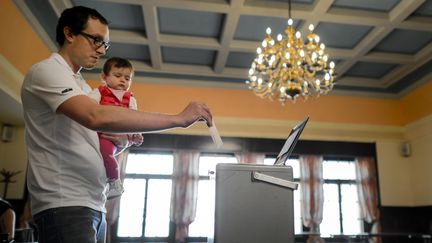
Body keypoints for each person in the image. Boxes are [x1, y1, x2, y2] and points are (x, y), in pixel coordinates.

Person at [21, 5, 212, 243]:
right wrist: (178, 119)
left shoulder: (81, 86)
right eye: (96, 40)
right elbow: (95, 116)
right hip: (65, 202)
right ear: (69, 34)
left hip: (94, 203)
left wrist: (122, 143)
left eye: (105, 44)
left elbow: (92, 136)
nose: (101, 50)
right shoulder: (46, 71)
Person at [88, 57, 143, 199]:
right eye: (117, 76)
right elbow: (89, 106)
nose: (123, 80)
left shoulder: (130, 98)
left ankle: (115, 182)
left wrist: (136, 133)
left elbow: (135, 117)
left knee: (106, 154)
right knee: (105, 155)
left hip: (121, 132)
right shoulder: (99, 92)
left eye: (127, 78)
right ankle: (111, 181)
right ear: (103, 77)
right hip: (104, 133)